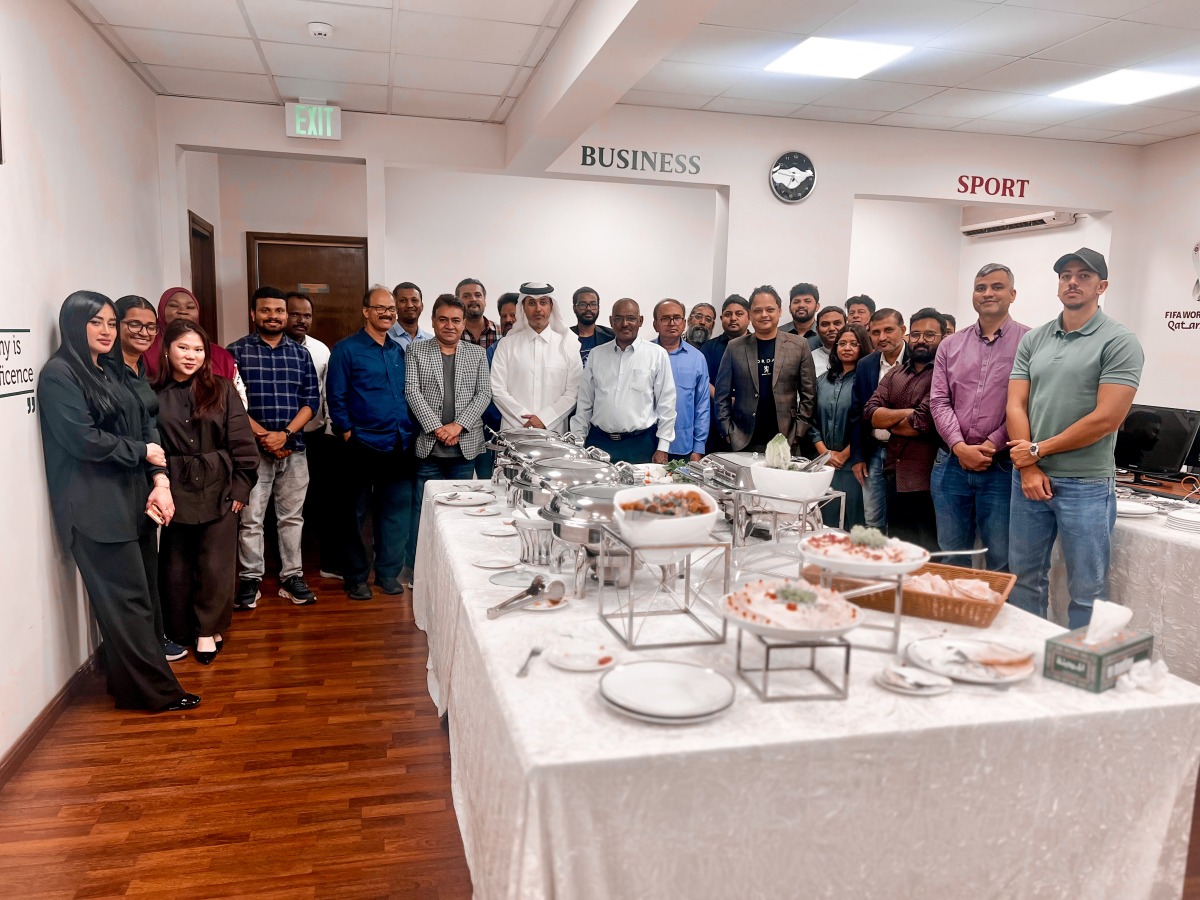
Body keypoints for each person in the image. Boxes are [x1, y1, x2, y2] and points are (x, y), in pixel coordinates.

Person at [37, 291, 197, 712]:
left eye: (111, 323)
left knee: (141, 599)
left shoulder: (107, 371)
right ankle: (157, 694)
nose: (107, 331)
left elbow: (141, 424)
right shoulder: (59, 374)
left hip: (132, 502)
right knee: (127, 604)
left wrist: (157, 480)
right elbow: (81, 440)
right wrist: (144, 454)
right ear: (74, 325)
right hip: (94, 509)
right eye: (97, 323)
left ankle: (130, 689)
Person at [1006, 248, 1144, 628]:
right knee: (1025, 581)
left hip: (1086, 482)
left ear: (1102, 286)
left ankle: (1080, 672)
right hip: (1029, 478)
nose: (1072, 281)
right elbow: (1016, 405)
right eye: (1066, 275)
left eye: (1083, 276)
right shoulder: (1034, 339)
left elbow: (1106, 419)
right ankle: (1026, 658)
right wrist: (1030, 466)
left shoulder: (1120, 341)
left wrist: (1037, 450)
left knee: (1088, 589)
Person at [154, 320, 258, 664]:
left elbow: (243, 442)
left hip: (220, 486)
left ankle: (206, 632)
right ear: (167, 349)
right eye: (183, 347)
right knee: (177, 564)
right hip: (175, 486)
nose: (191, 355)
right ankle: (183, 628)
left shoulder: (223, 389)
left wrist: (241, 486)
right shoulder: (153, 392)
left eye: (198, 349)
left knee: (215, 564)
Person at [930, 264, 1030, 571]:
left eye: (997, 287)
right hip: (950, 465)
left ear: (1012, 294)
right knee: (951, 558)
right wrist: (960, 447)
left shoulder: (1030, 342)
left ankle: (995, 618)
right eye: (981, 287)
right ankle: (952, 618)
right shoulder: (950, 345)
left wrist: (989, 445)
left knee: (1000, 560)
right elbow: (939, 401)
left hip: (1001, 466)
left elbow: (1028, 404)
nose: (988, 293)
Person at [227, 286, 321, 609]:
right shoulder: (235, 352)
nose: (274, 316)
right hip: (252, 453)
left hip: (294, 449)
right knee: (251, 518)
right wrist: (264, 436)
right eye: (266, 311)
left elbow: (312, 401)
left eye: (279, 311)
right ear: (253, 314)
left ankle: (291, 576)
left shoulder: (300, 354)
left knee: (292, 517)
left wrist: (284, 434)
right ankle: (250, 580)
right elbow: (232, 404)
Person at [109, 296, 188, 664]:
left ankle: (157, 637)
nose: (143, 332)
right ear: (118, 325)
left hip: (147, 479)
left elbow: (148, 426)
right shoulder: (105, 373)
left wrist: (160, 479)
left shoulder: (141, 367)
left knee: (148, 565)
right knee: (131, 579)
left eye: (149, 326)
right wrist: (150, 459)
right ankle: (144, 649)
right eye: (133, 324)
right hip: (117, 484)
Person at [326, 286, 417, 599]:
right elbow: (335, 396)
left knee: (394, 513)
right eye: (380, 308)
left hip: (399, 442)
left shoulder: (398, 351)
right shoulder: (346, 349)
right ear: (365, 311)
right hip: (361, 443)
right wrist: (348, 431)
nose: (387, 314)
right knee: (354, 514)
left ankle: (388, 574)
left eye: (391, 309)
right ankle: (356, 577)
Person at [863, 308, 947, 550]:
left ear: (943, 337)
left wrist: (891, 418)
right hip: (894, 472)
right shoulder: (896, 374)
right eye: (917, 334)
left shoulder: (944, 375)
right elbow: (870, 413)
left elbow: (922, 424)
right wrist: (909, 413)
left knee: (929, 551)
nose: (921, 340)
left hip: (928, 476)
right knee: (898, 547)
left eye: (930, 335)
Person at [406, 294, 492, 512]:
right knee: (425, 509)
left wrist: (457, 427)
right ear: (433, 321)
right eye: (443, 319)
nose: (449, 326)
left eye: (456, 320)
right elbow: (412, 392)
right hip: (429, 447)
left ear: (463, 323)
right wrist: (438, 429)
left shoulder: (478, 353)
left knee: (460, 509)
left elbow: (484, 393)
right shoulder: (415, 350)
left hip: (464, 448)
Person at [571, 298, 676, 464]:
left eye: (631, 318)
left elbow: (667, 404)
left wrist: (663, 447)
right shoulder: (596, 355)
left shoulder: (657, 355)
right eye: (618, 318)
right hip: (598, 443)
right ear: (611, 321)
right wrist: (577, 441)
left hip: (640, 445)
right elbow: (584, 403)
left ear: (640, 321)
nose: (625, 324)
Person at [715, 285, 816, 453]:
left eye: (770, 309)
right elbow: (721, 395)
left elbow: (809, 395)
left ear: (779, 311)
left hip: (786, 438)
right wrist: (727, 430)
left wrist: (798, 432)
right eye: (757, 310)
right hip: (742, 438)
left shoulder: (799, 345)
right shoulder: (735, 347)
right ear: (750, 314)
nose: (764, 315)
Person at [286, 291, 342, 580]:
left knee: (324, 501)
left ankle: (327, 562)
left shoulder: (321, 350)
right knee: (284, 506)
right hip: (278, 439)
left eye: (306, 315)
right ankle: (286, 565)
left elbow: (328, 393)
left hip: (317, 435)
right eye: (294, 314)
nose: (301, 320)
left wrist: (332, 428)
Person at [490, 282, 582, 434]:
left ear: (551, 307)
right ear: (523, 308)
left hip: (554, 433)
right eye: (532, 303)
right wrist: (525, 420)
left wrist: (545, 419)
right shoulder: (506, 345)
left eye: (543, 303)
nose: (538, 309)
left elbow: (574, 391)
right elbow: (497, 390)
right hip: (514, 433)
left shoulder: (568, 345)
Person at [848, 308, 908, 529]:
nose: (882, 337)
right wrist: (857, 456)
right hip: (873, 450)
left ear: (903, 330)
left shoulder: (919, 361)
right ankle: (876, 561)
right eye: (876, 332)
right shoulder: (865, 364)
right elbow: (856, 413)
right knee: (872, 517)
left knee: (901, 520)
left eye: (889, 330)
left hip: (906, 452)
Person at [810, 324, 871, 529]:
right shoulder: (821, 381)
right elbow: (810, 418)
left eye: (854, 344)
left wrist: (845, 455)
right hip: (823, 463)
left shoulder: (868, 381)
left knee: (854, 525)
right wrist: (823, 451)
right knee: (825, 525)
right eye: (842, 343)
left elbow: (867, 422)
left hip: (854, 463)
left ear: (863, 347)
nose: (847, 348)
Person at [146, 287, 247, 406]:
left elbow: (239, 405)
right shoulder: (146, 351)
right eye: (174, 305)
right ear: (161, 310)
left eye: (190, 307)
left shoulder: (220, 355)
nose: (183, 311)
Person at [653, 299, 709, 461]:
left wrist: (699, 447)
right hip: (646, 440)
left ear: (684, 323)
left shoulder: (697, 358)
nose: (672, 323)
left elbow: (702, 406)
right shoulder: (644, 354)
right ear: (655, 324)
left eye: (677, 318)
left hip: (682, 444)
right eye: (665, 318)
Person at [701, 294, 750, 453]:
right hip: (716, 421)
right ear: (721, 318)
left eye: (739, 314)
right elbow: (703, 380)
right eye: (728, 314)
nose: (733, 318)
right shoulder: (709, 347)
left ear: (749, 317)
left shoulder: (760, 346)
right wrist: (724, 399)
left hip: (750, 421)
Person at [570, 285, 614, 367]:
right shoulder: (565, 337)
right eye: (583, 304)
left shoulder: (611, 337)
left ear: (598, 307)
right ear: (574, 308)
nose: (588, 309)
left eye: (593, 304)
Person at [387, 281, 432, 350]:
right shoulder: (385, 337)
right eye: (403, 300)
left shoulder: (431, 341)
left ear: (422, 306)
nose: (409, 305)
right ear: (394, 306)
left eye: (414, 300)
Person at [457, 277, 498, 349]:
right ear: (458, 303)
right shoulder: (452, 332)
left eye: (478, 295)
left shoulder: (501, 332)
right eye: (466, 296)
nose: (473, 299)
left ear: (485, 301)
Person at [779, 283, 821, 349]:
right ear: (790, 308)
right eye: (796, 302)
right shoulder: (778, 333)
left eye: (807, 301)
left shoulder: (824, 334)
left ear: (817, 307)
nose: (801, 305)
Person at [811, 305, 847, 373]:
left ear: (846, 326)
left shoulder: (858, 356)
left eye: (837, 323)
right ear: (817, 329)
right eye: (825, 324)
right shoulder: (810, 359)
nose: (832, 329)